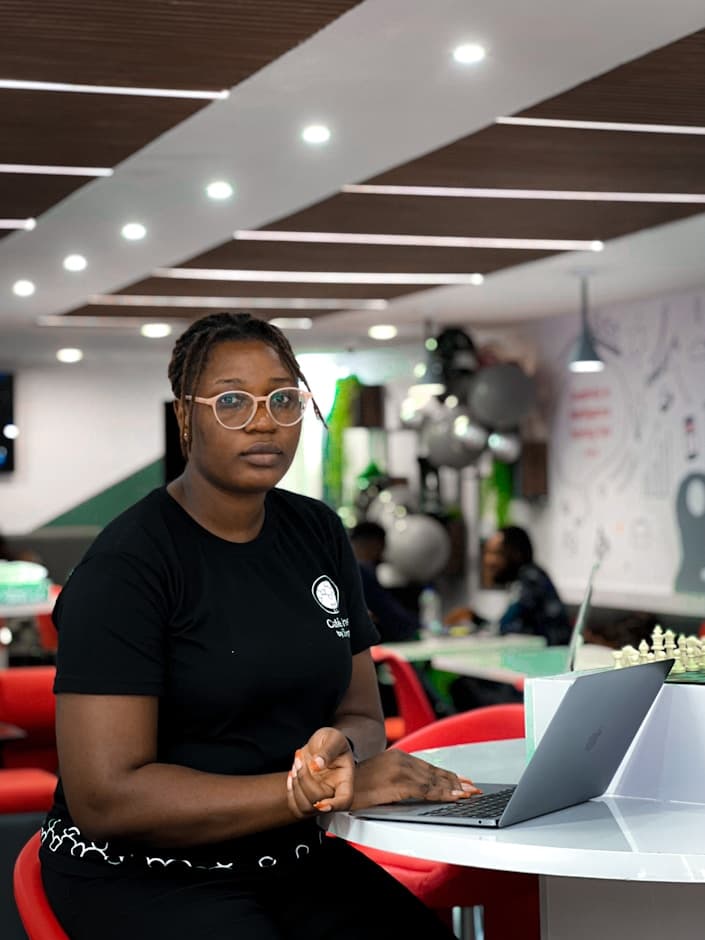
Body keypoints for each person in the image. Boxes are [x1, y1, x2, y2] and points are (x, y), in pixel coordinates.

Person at [39, 311, 479, 940]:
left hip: (289, 858)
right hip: (143, 874)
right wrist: (308, 794)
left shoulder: (318, 532)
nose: (263, 418)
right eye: (231, 400)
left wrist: (341, 756)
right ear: (184, 416)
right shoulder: (128, 565)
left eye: (282, 397)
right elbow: (106, 798)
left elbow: (360, 714)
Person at [445, 525, 570, 712]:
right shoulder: (529, 577)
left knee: (462, 688)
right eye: (487, 553)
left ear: (516, 553)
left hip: (543, 682)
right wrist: (476, 619)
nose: (488, 561)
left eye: (496, 553)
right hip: (534, 673)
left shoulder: (530, 579)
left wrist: (476, 622)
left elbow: (503, 628)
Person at [348, 520, 420, 642]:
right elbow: (390, 613)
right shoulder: (361, 572)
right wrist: (420, 627)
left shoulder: (344, 569)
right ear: (376, 545)